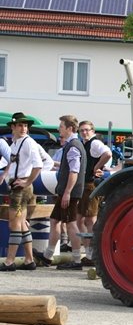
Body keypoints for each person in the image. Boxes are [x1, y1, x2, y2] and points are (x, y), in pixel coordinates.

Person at [34, 115, 86, 270]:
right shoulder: (74, 145)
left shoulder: (73, 146)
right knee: (55, 220)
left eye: (61, 126)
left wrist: (68, 192)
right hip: (66, 191)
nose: (59, 129)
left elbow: (74, 172)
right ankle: (48, 256)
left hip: (69, 192)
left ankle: (76, 260)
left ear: (69, 128)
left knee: (70, 224)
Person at [0, 112, 43, 271]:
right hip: (18, 186)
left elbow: (38, 165)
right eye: (20, 125)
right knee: (23, 224)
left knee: (15, 224)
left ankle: (10, 261)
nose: (24, 128)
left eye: (25, 125)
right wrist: (6, 174)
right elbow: (9, 163)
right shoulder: (15, 143)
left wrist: (27, 181)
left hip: (21, 188)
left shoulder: (28, 142)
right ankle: (29, 260)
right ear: (13, 127)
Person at [76, 120, 112, 267]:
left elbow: (108, 153)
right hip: (86, 184)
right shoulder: (86, 143)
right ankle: (89, 252)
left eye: (87, 130)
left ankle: (92, 253)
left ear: (92, 131)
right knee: (82, 220)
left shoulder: (94, 143)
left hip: (91, 184)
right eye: (82, 130)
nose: (84, 132)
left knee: (89, 219)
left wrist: (97, 167)